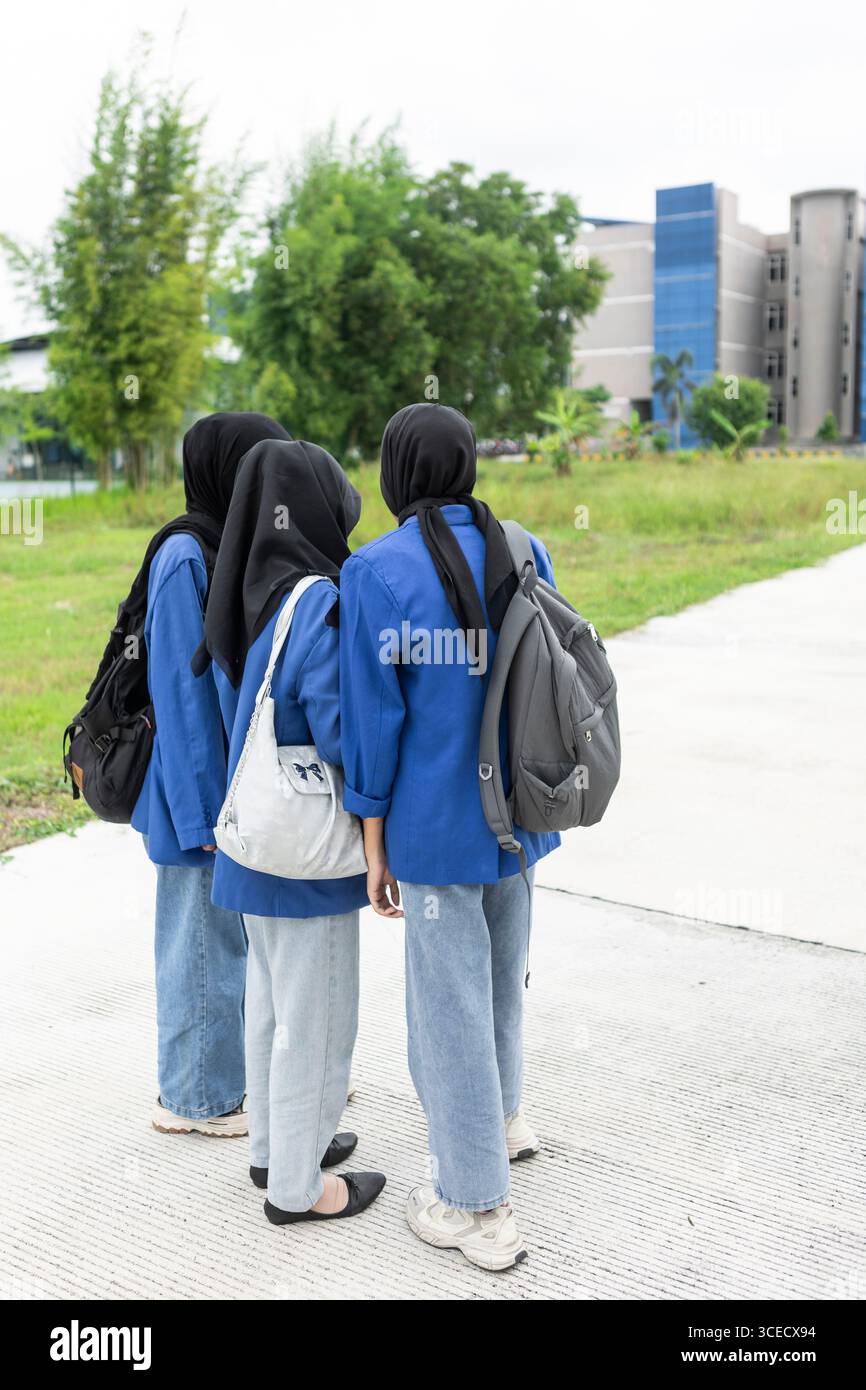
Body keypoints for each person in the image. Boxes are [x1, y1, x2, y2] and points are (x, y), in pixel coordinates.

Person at [339, 402, 560, 1270]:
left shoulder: (376, 571)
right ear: (467, 461)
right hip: (520, 816)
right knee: (502, 981)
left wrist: (371, 841)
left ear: (396, 472)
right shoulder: (525, 544)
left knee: (450, 1006)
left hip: (432, 824)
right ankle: (502, 1120)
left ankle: (478, 1207)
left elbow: (373, 719)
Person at [203, 438, 386, 1225]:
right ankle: (300, 1190)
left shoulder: (251, 591)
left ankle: (275, 1148)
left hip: (257, 847)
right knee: (318, 1017)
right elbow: (339, 726)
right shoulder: (317, 598)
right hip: (306, 858)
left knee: (272, 1009)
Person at [132, 412, 291, 1137]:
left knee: (234, 937)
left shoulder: (230, 545)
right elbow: (180, 695)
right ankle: (196, 1099)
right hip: (191, 791)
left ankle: (234, 1075)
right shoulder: (185, 556)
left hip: (231, 788)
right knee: (200, 938)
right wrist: (203, 820)